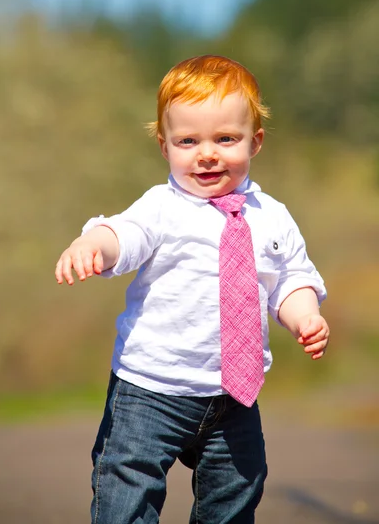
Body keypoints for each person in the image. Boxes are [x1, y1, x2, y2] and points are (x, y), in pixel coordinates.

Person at [55, 55, 329, 524]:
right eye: (188, 141)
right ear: (165, 147)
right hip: (151, 389)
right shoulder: (161, 207)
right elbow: (125, 233)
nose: (207, 153)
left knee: (238, 490)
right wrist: (92, 245)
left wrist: (304, 314)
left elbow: (289, 278)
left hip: (233, 398)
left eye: (226, 139)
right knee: (127, 488)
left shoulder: (272, 215)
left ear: (255, 142)